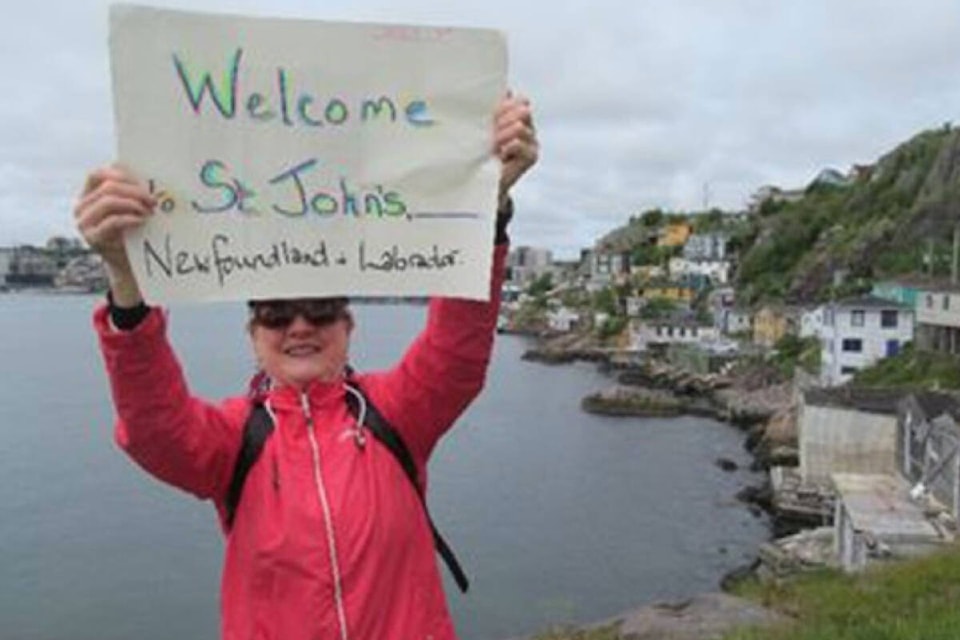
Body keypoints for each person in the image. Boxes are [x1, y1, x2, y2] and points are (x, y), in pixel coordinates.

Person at [74, 94, 538, 640]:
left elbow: (457, 351)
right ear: (254, 337)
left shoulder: (397, 412)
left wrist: (486, 204)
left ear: (348, 328)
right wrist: (127, 284)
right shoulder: (231, 440)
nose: (299, 327)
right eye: (275, 314)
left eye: (320, 310)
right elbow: (155, 429)